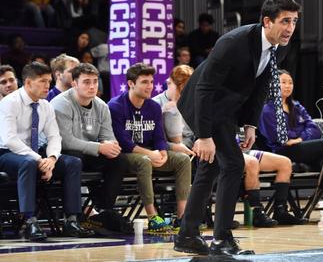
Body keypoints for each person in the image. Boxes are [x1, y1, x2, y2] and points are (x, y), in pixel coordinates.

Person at [174, 0, 300, 256]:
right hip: (203, 105)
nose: (290, 28)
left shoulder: (281, 43)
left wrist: (250, 124)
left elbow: (262, 84)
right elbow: (205, 88)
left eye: (294, 21)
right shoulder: (233, 43)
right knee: (232, 164)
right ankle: (221, 239)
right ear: (267, 21)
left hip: (228, 107)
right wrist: (203, 135)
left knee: (211, 168)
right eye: (285, 21)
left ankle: (187, 235)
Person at [0, 62, 94, 241]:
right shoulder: (9, 103)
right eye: (42, 81)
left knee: (73, 163)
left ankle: (71, 220)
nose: (47, 85)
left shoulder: (45, 105)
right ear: (28, 83)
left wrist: (51, 158)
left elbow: (54, 137)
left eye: (49, 81)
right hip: (6, 154)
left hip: (36, 155)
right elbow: (10, 140)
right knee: (27, 162)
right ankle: (30, 222)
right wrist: (39, 159)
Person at [108, 63, 191, 232]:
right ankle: (153, 217)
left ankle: (182, 217)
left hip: (151, 152)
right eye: (145, 82)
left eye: (151, 82)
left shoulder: (153, 106)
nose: (150, 86)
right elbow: (124, 142)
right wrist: (150, 154)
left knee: (182, 160)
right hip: (126, 155)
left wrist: (162, 152)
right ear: (131, 84)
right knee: (144, 161)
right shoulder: (115, 106)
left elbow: (159, 138)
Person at [50, 63, 128, 225]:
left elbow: (108, 136)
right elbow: (66, 141)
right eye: (86, 82)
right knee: (75, 157)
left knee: (119, 159)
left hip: (89, 153)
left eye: (95, 81)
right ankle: (74, 215)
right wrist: (100, 147)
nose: (92, 86)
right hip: (64, 153)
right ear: (74, 84)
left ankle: (104, 210)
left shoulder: (102, 106)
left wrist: (111, 145)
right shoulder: (61, 104)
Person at [259, 70, 323, 172]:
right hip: (281, 151)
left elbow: (315, 130)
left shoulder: (296, 106)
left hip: (299, 146)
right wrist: (300, 133)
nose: (288, 86)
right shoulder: (267, 109)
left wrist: (299, 139)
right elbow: (278, 137)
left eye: (290, 83)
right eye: (283, 82)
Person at [242, 148, 307, 227]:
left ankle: (280, 212)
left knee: (285, 163)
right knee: (252, 162)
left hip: (244, 150)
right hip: (229, 150)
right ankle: (257, 213)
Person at [152, 65, 196, 154]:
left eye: (187, 91)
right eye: (180, 91)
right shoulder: (155, 104)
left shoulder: (193, 101)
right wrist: (161, 112)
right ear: (169, 83)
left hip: (193, 145)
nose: (183, 95)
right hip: (171, 148)